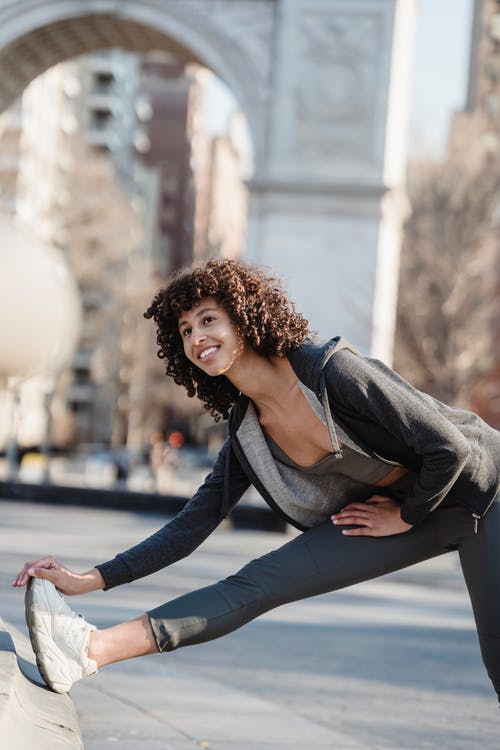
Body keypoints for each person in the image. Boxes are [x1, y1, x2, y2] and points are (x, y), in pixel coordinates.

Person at [14, 258, 500, 702]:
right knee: (261, 581)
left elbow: (450, 447)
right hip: (401, 510)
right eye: (184, 330)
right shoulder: (248, 433)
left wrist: (406, 513)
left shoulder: (331, 372)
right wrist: (90, 579)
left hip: (485, 492)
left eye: (208, 319)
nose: (196, 337)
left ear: (244, 319)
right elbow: (190, 527)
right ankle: (91, 649)